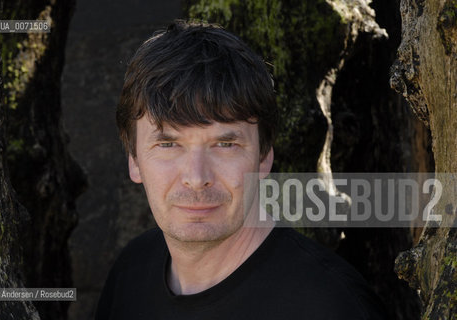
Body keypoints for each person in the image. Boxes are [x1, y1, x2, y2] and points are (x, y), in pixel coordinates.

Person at [95, 20, 388, 320]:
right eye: (169, 145)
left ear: (263, 157)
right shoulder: (131, 274)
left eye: (225, 145)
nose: (197, 178)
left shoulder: (330, 306)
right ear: (133, 159)